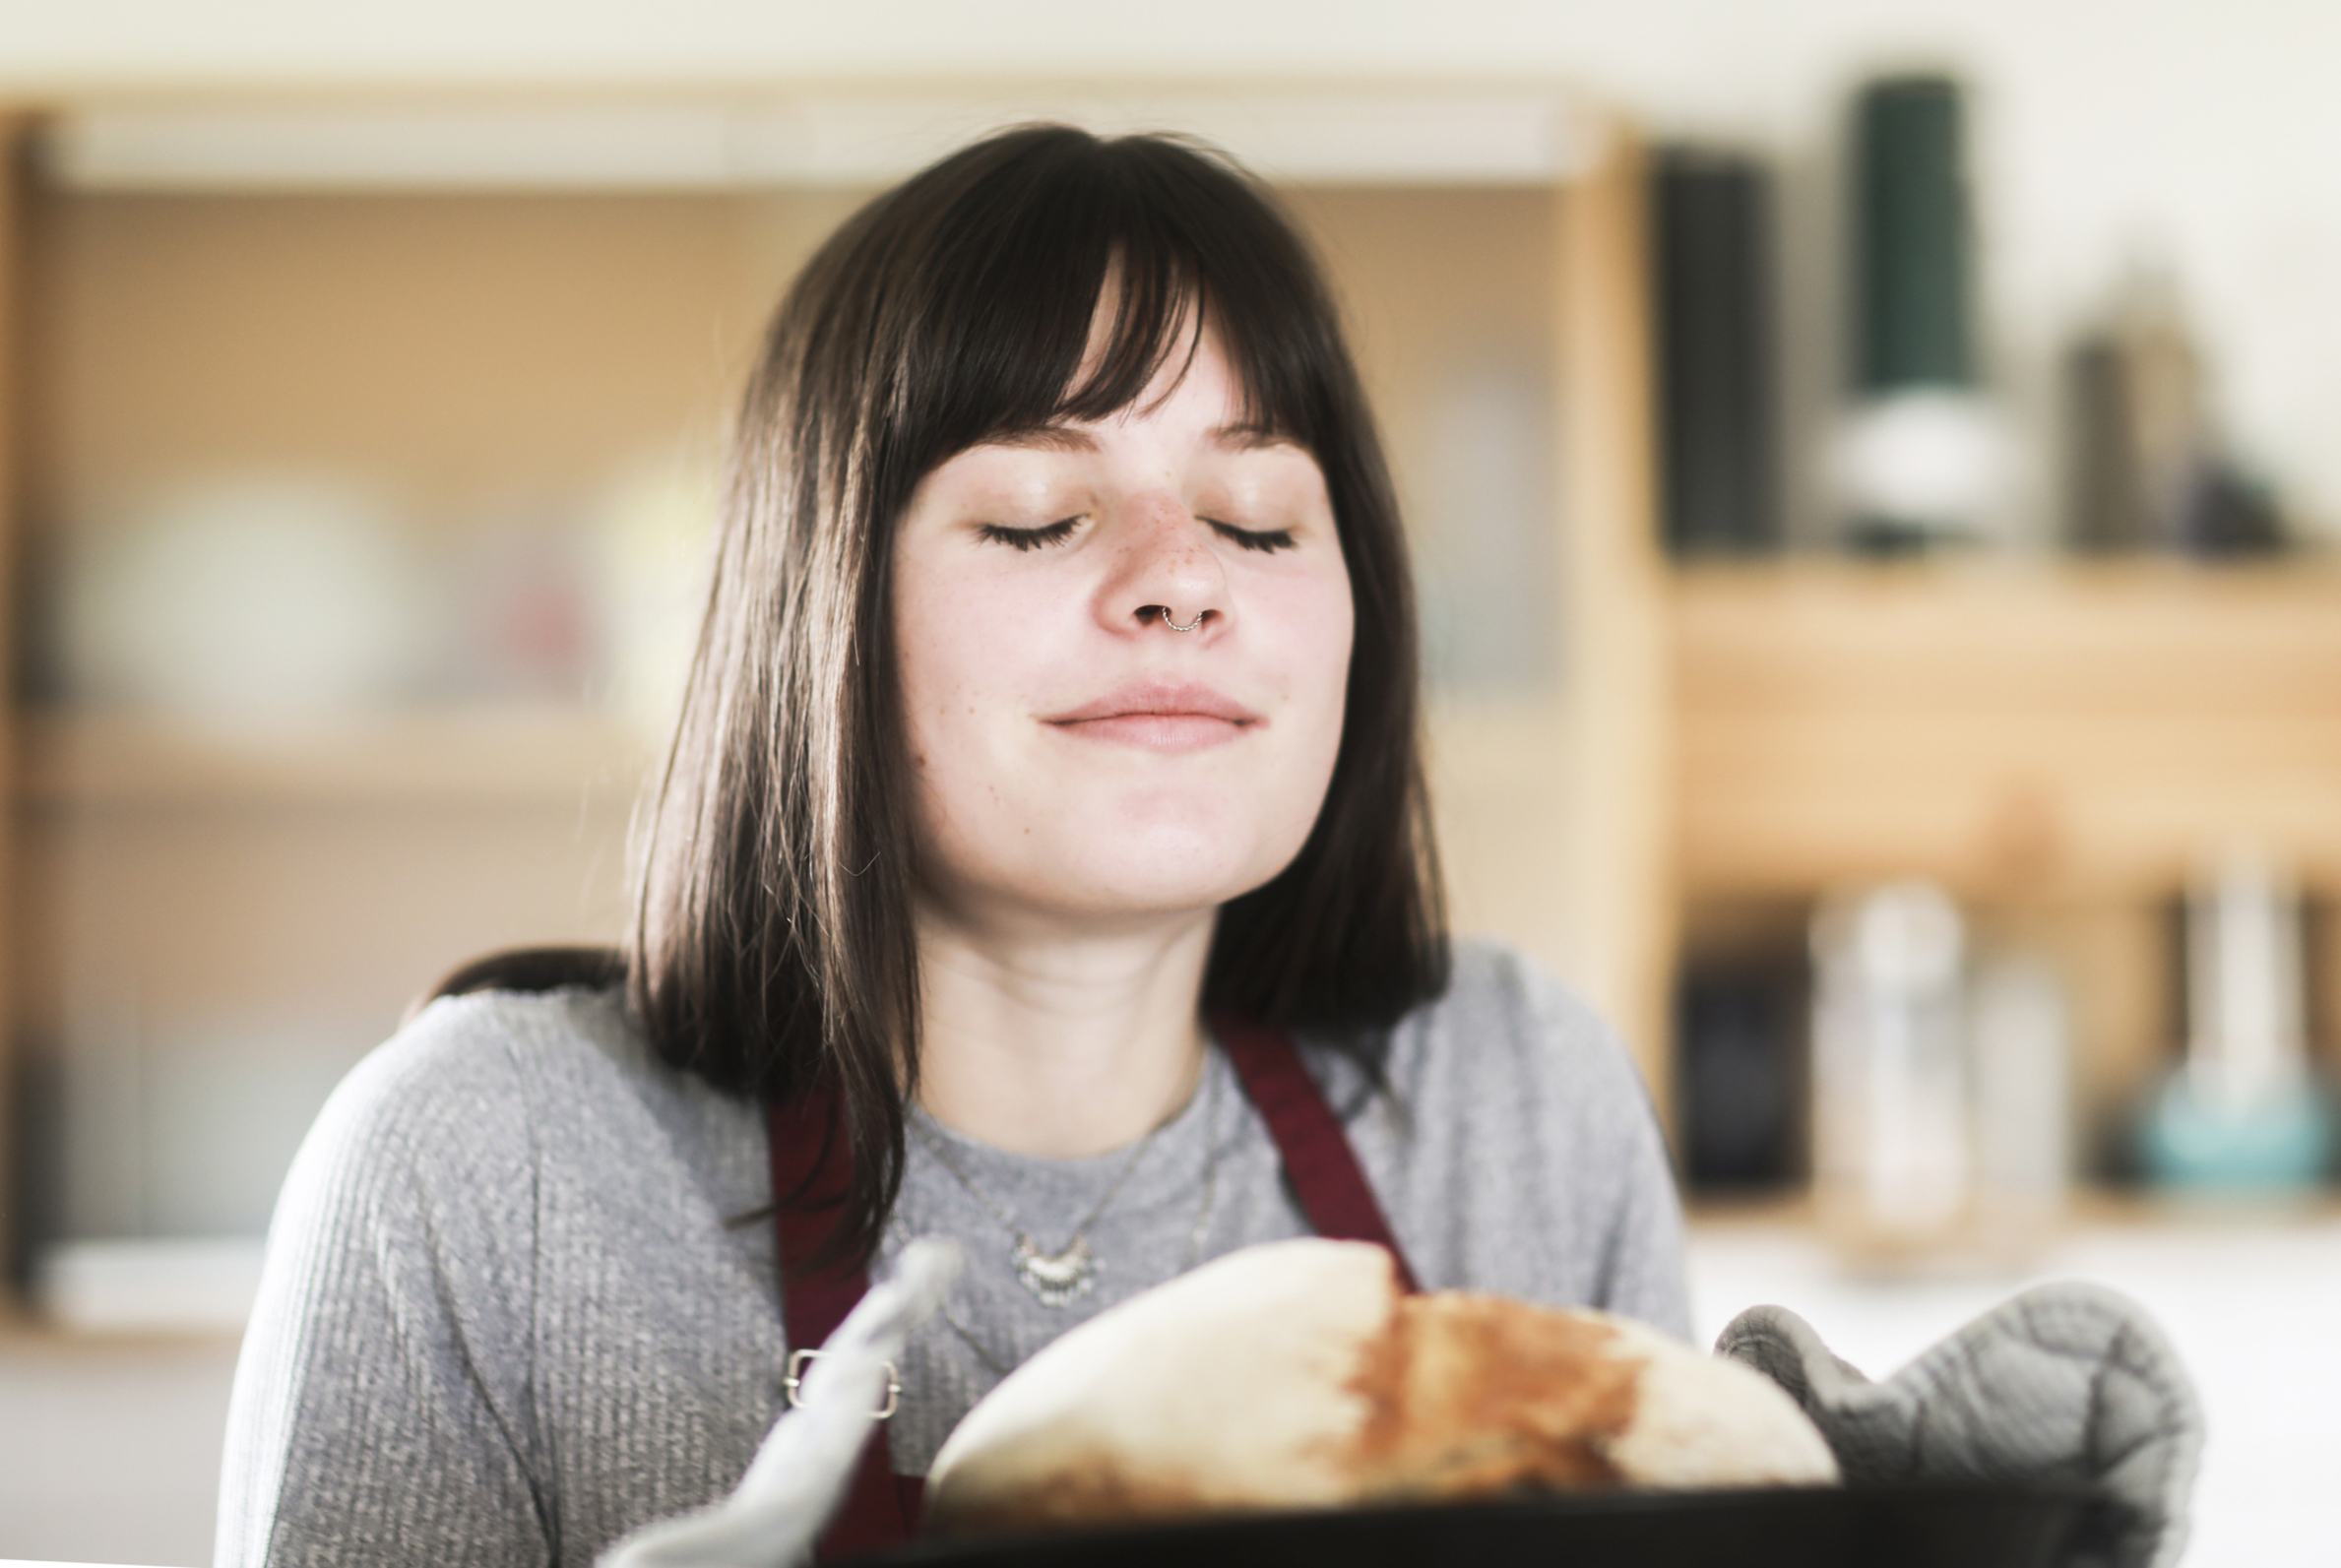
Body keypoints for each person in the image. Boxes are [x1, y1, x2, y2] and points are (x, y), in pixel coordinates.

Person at [215, 124, 1687, 1568]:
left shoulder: (1518, 1100)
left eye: (1254, 519)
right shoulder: (488, 1165)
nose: (1181, 579)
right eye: (1039, 516)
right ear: (822, 607)